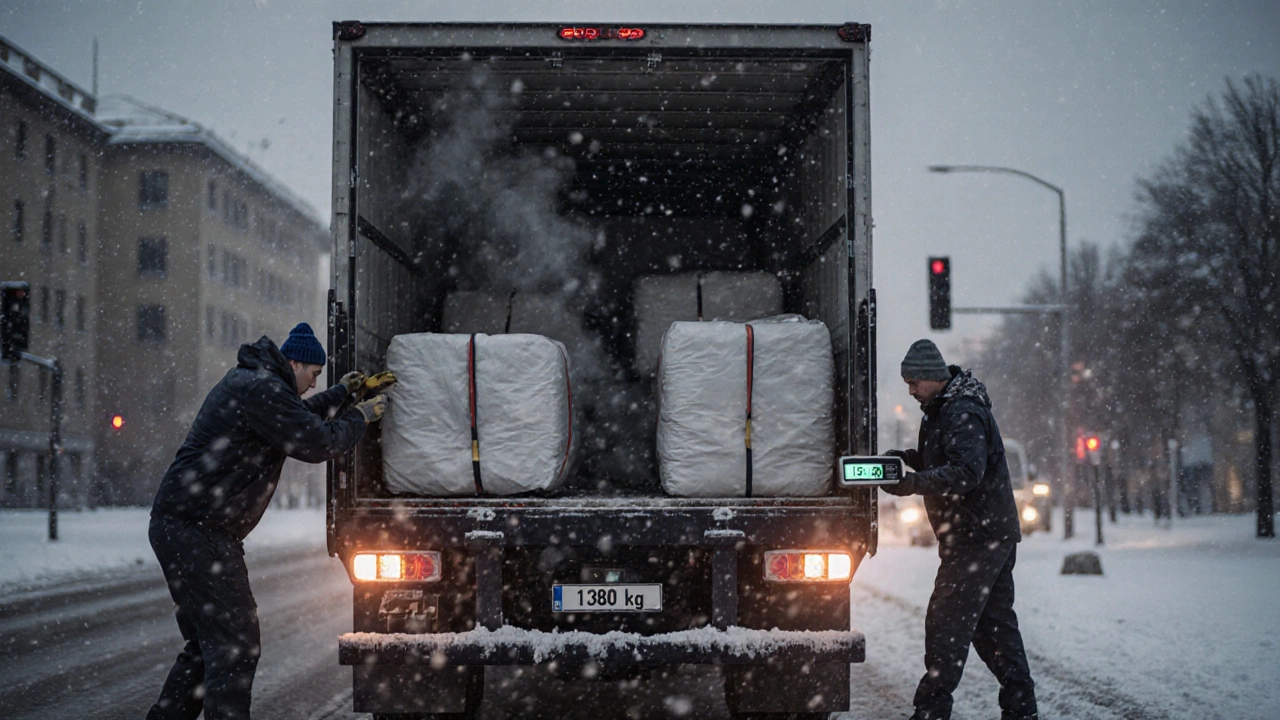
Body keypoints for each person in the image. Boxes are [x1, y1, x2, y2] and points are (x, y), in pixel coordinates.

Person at [146, 322, 395, 720]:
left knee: (207, 646)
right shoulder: (261, 388)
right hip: (197, 529)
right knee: (235, 644)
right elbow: (316, 441)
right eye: (314, 375)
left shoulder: (259, 384)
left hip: (185, 526)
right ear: (295, 362)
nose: (314, 385)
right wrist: (360, 418)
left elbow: (299, 417)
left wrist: (345, 392)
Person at [882, 339, 1038, 720]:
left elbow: (968, 472)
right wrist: (904, 460)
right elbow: (945, 458)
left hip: (977, 536)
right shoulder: (941, 410)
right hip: (987, 534)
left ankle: (931, 710)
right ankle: (1021, 709)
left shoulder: (962, 410)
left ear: (933, 377)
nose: (910, 390)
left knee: (946, 624)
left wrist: (912, 484)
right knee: (993, 628)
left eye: (914, 382)